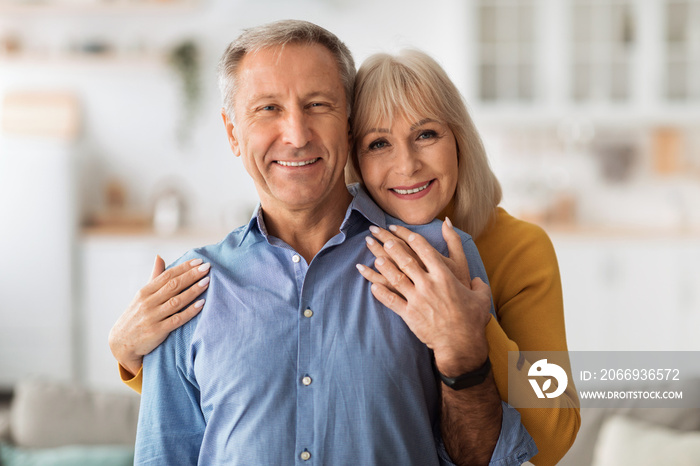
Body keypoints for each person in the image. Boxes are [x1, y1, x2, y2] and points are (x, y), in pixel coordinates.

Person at [130, 20, 535, 466]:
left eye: (317, 104)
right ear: (233, 135)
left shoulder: (436, 258)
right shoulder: (186, 293)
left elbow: (488, 456)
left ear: (347, 126)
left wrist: (466, 360)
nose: (297, 134)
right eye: (268, 109)